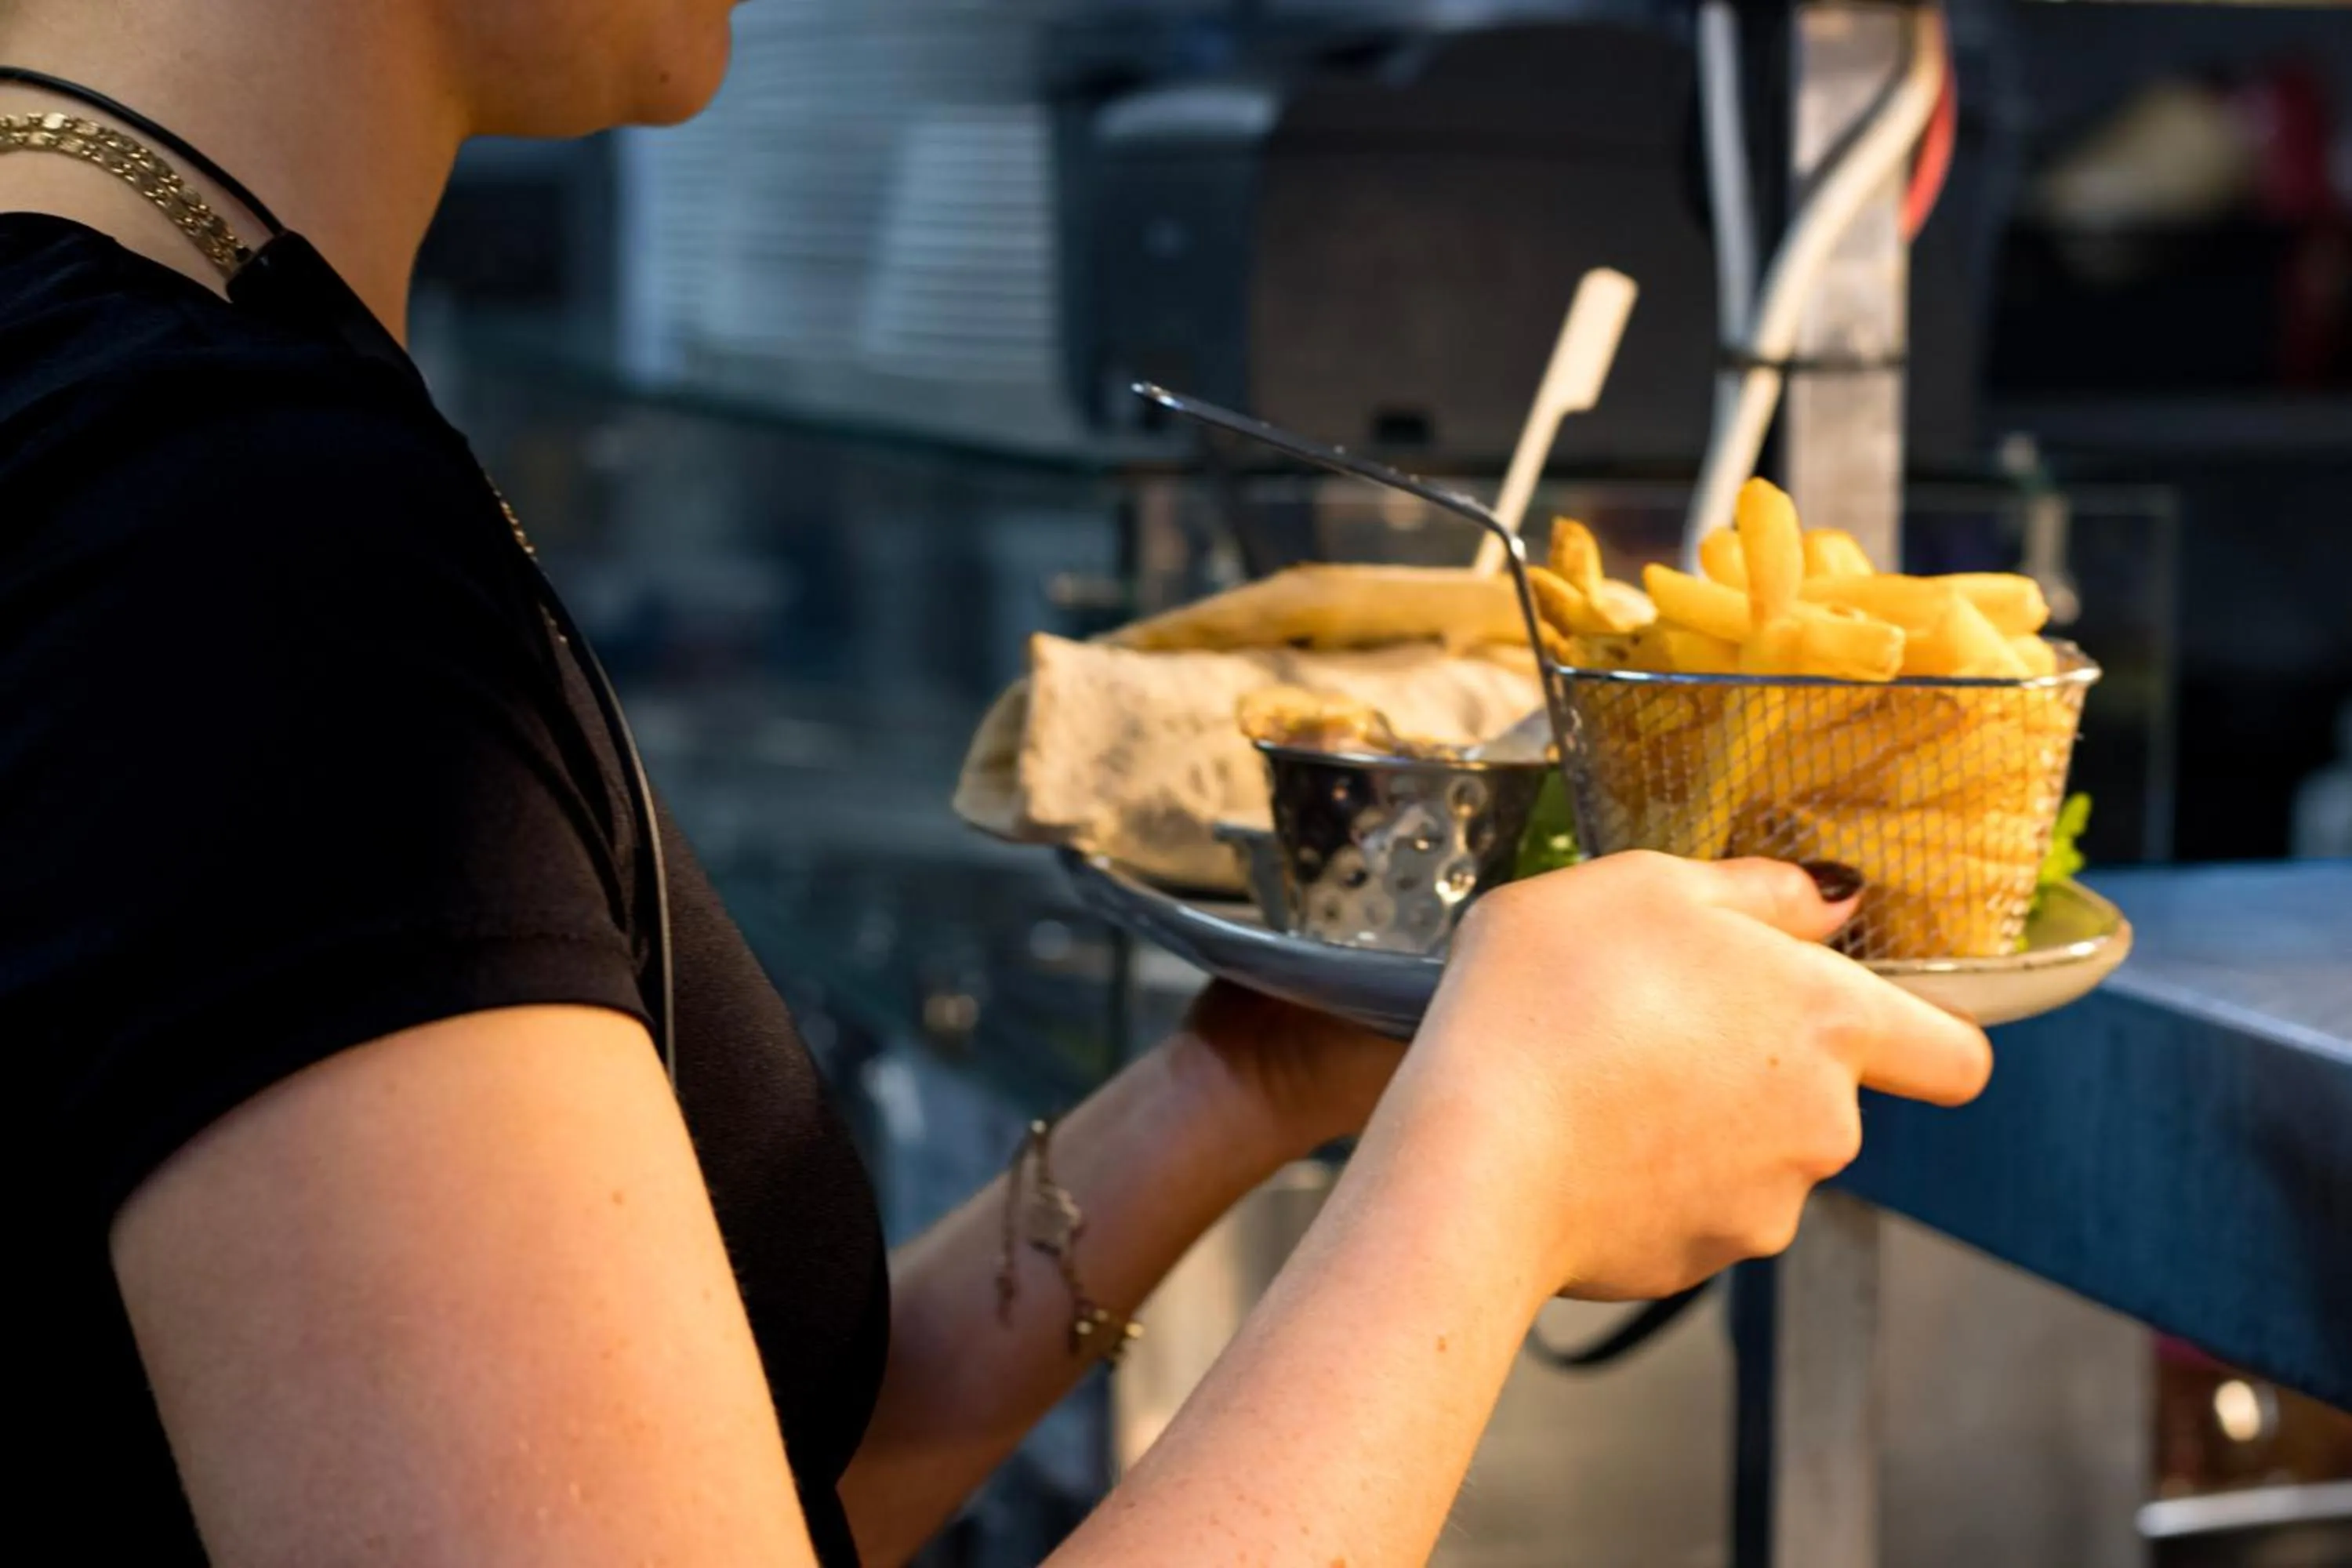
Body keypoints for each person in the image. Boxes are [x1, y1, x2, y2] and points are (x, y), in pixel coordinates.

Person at [0, 4, 1992, 1564]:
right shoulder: (233, 537)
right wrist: (1503, 1158)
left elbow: (753, 1486)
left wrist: (1244, 1087)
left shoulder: (152, 405)